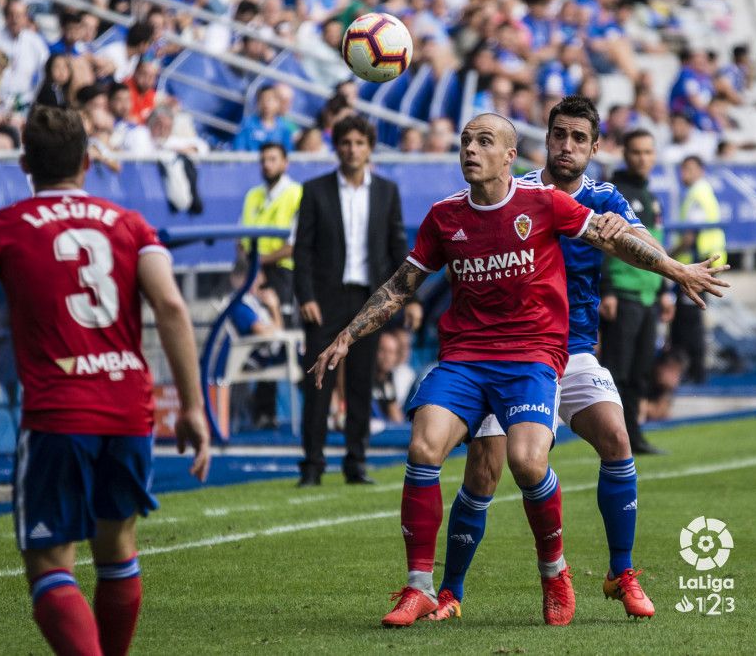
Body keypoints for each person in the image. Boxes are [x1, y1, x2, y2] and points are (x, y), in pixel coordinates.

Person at [307, 112, 729, 628]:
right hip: (471, 354)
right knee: (466, 464)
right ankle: (435, 588)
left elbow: (623, 240)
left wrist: (678, 269)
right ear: (539, 145)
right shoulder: (463, 208)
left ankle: (605, 572)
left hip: (550, 348)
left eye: (483, 141)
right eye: (466, 140)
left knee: (581, 448)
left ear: (593, 146)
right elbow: (401, 284)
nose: (470, 149)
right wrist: (348, 335)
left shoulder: (590, 199)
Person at [0, 106, 210, 656]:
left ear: (25, 162)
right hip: (129, 408)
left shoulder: (2, 229)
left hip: (59, 411)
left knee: (51, 563)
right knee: (116, 548)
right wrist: (193, 407)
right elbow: (171, 306)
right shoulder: (129, 224)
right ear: (86, 160)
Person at [293, 115, 421, 487]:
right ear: (337, 147)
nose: (352, 150)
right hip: (325, 299)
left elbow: (398, 246)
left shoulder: (386, 191)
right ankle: (312, 465)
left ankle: (356, 463)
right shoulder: (315, 190)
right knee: (318, 382)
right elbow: (302, 250)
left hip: (369, 300)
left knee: (362, 384)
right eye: (346, 143)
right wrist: (306, 296)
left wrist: (408, 297)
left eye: (359, 143)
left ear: (369, 148)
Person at [599, 129, 673, 455]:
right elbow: (601, 246)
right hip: (624, 294)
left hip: (647, 296)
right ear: (625, 155)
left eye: (648, 152)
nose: (643, 158)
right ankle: (611, 437)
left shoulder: (651, 197)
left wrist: (664, 291)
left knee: (641, 371)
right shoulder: (614, 194)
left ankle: (633, 436)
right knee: (617, 371)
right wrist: (608, 290)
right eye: (636, 152)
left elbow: (656, 249)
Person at [239, 142, 303, 429]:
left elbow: (294, 244)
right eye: (263, 159)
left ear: (285, 163)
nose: (267, 164)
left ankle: (316, 407)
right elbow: (240, 238)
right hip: (256, 276)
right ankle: (263, 413)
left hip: (284, 275)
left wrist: (259, 262)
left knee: (285, 339)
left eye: (273, 159)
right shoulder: (252, 195)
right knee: (264, 340)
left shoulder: (296, 194)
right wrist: (251, 270)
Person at [669, 155, 728, 383]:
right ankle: (694, 371)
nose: (684, 174)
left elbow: (690, 235)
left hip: (696, 265)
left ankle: (693, 373)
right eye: (682, 169)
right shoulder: (704, 193)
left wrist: (667, 257)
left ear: (700, 171)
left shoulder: (697, 195)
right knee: (691, 318)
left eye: (689, 169)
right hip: (702, 264)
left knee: (688, 321)